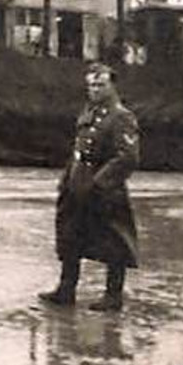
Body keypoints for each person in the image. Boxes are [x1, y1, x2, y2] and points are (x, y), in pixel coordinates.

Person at [40, 62, 140, 311]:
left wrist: (100, 183)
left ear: (112, 85)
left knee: (113, 240)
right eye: (91, 85)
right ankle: (66, 290)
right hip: (77, 181)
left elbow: (127, 157)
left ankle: (113, 296)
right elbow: (78, 149)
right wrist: (66, 179)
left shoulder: (121, 116)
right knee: (70, 235)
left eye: (100, 85)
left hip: (105, 187)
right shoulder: (88, 112)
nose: (94, 89)